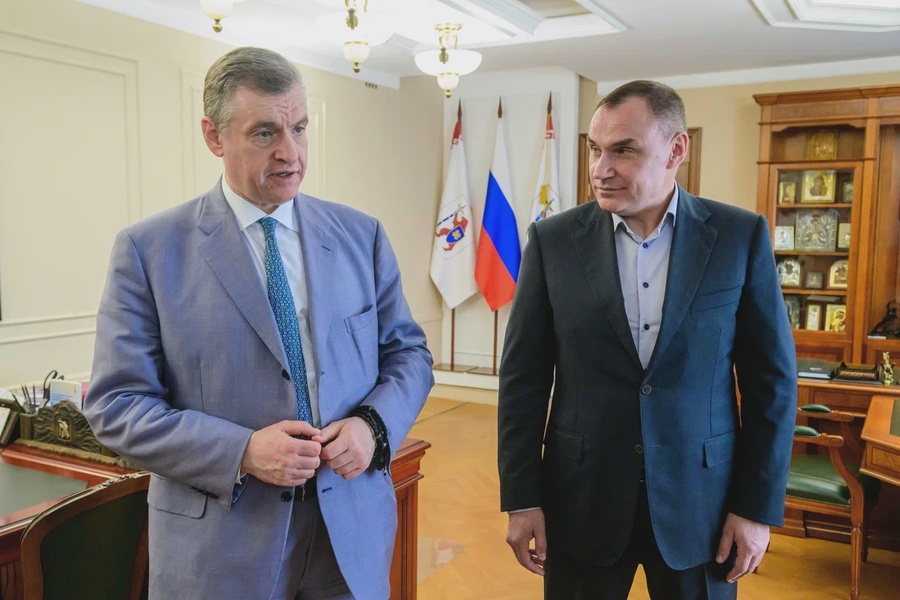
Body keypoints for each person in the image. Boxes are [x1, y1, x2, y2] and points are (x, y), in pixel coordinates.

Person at [84, 47, 434, 600]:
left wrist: (373, 426)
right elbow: (116, 406)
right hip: (220, 552)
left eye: (300, 128)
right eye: (265, 132)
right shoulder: (148, 251)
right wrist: (242, 451)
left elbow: (408, 354)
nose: (290, 153)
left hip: (350, 539)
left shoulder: (360, 235)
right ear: (214, 136)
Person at [497, 80, 797, 599]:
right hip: (581, 502)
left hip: (702, 509)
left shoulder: (739, 238)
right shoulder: (552, 242)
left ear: (676, 150)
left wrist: (755, 507)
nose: (600, 168)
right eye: (595, 150)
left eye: (623, 150)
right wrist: (522, 498)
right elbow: (523, 381)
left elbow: (771, 384)